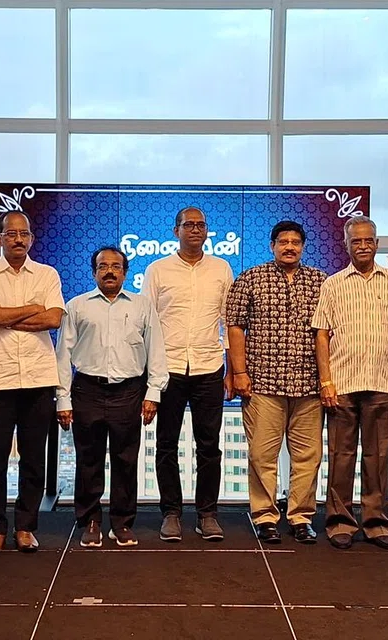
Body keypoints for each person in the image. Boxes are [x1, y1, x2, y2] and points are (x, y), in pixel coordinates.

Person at [56, 247, 169, 548]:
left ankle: (122, 522)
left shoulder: (143, 306)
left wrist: (153, 393)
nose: (109, 271)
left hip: (129, 391)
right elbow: (63, 355)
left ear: (125, 272)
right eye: (103, 266)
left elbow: (156, 350)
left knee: (126, 460)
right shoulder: (77, 306)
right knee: (88, 459)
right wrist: (63, 399)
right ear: (94, 272)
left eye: (116, 266)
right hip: (87, 390)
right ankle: (90, 520)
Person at [226, 220, 326, 545]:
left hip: (308, 385)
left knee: (308, 457)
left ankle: (301, 517)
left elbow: (327, 332)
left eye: (295, 242)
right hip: (262, 384)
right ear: (272, 246)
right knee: (261, 456)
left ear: (303, 246)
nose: (289, 247)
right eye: (283, 242)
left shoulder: (320, 281)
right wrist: (239, 372)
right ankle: (265, 516)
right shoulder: (251, 278)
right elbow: (235, 326)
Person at [142, 206, 234, 543]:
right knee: (166, 444)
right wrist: (149, 376)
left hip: (209, 367)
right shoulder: (158, 269)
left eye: (200, 225)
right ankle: (171, 513)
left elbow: (227, 320)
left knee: (209, 445)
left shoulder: (221, 268)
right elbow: (147, 323)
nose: (195, 229)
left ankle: (207, 514)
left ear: (206, 231)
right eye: (188, 225)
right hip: (168, 369)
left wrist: (231, 369)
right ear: (175, 230)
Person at [0, 211, 65, 555]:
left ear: (31, 239)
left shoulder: (47, 273)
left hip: (38, 378)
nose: (18, 239)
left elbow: (53, 319)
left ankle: (26, 526)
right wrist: (31, 308)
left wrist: (7, 315)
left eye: (24, 234)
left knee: (33, 458)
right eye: (11, 234)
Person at [313, 215, 388, 551]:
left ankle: (377, 523)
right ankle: (339, 522)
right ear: (346, 244)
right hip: (342, 382)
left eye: (368, 240)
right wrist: (325, 381)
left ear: (377, 244)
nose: (362, 246)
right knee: (341, 456)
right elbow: (322, 335)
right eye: (356, 241)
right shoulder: (333, 284)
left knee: (378, 457)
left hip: (381, 380)